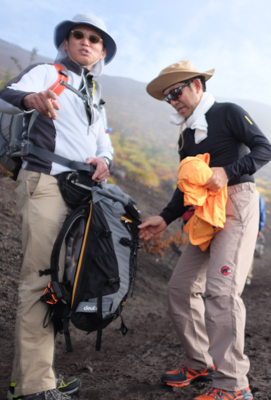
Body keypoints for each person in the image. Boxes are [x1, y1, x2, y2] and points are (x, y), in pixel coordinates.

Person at [140, 60, 271, 400]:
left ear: (197, 85)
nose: (173, 100)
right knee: (180, 289)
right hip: (203, 213)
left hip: (236, 203)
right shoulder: (186, 137)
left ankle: (234, 386)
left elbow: (264, 149)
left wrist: (228, 171)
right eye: (168, 96)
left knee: (222, 291)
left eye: (177, 92)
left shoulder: (227, 112)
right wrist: (165, 217)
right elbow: (186, 186)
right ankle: (201, 362)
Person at [0, 14, 116, 400]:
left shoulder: (94, 94)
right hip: (45, 183)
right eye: (78, 36)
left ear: (100, 51)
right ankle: (36, 387)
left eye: (94, 39)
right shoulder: (46, 72)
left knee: (59, 284)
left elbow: (104, 145)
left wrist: (105, 162)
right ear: (65, 43)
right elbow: (7, 96)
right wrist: (31, 99)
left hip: (79, 190)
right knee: (40, 280)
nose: (86, 42)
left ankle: (30, 380)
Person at [246, 193, 266, 286]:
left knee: (247, 252)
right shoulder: (257, 193)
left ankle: (247, 276)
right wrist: (259, 228)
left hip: (249, 227)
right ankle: (247, 277)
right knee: (248, 253)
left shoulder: (257, 194)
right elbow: (262, 213)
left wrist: (259, 228)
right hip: (251, 227)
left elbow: (261, 212)